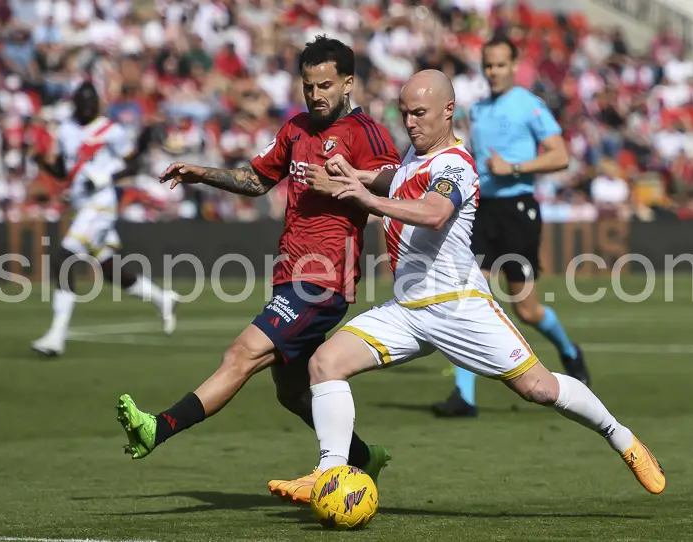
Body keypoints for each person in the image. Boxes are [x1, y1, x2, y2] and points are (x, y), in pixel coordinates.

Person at [271, 69, 665, 503]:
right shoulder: (415, 156)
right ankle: (328, 475)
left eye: (420, 113)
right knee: (324, 364)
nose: (411, 122)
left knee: (540, 389)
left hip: (459, 307)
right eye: (405, 113)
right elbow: (399, 182)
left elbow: (435, 212)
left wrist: (363, 198)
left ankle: (621, 437)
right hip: (406, 311)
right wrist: (357, 176)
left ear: (448, 111)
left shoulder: (456, 164)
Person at [113, 36, 402, 499]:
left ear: (349, 83)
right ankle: (364, 457)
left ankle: (158, 427)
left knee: (241, 353)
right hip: (291, 275)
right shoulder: (295, 129)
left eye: (325, 84)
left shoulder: (363, 132)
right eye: (309, 86)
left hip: (324, 280)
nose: (316, 94)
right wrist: (203, 174)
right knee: (290, 391)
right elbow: (257, 180)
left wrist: (350, 179)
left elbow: (396, 178)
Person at [433, 36, 589, 418]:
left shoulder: (530, 106)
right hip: (482, 210)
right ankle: (464, 397)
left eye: (500, 65)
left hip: (518, 209)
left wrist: (515, 168)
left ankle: (569, 351)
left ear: (514, 65)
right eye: (488, 65)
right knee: (469, 299)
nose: (493, 72)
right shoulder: (479, 110)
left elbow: (560, 156)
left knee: (527, 310)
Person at [31, 81, 180, 357]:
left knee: (63, 259)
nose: (87, 110)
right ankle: (163, 298)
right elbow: (65, 171)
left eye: (91, 105)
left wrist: (106, 178)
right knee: (110, 269)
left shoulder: (111, 131)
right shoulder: (65, 130)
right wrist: (44, 163)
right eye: (83, 105)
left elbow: (133, 163)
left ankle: (56, 335)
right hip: (81, 204)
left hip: (100, 205)